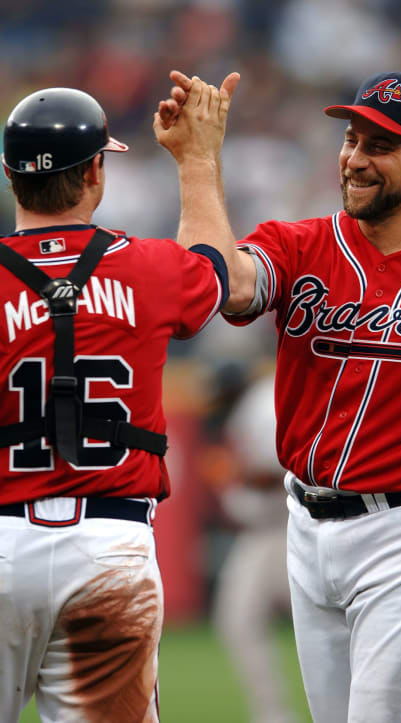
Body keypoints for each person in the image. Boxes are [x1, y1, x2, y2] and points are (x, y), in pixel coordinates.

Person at [154, 70, 401, 723]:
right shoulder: (299, 245)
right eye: (351, 138)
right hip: (303, 531)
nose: (356, 158)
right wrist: (197, 161)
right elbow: (214, 284)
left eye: (380, 146)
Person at [0, 86, 230, 722]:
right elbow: (217, 269)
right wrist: (196, 161)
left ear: (10, 174)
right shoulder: (149, 267)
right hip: (108, 545)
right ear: (96, 169)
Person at [210, 371, 297, 723]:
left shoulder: (262, 406)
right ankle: (274, 716)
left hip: (287, 531)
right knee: (238, 620)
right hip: (264, 535)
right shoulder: (255, 404)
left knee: (338, 626)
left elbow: (288, 470)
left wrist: (236, 475)